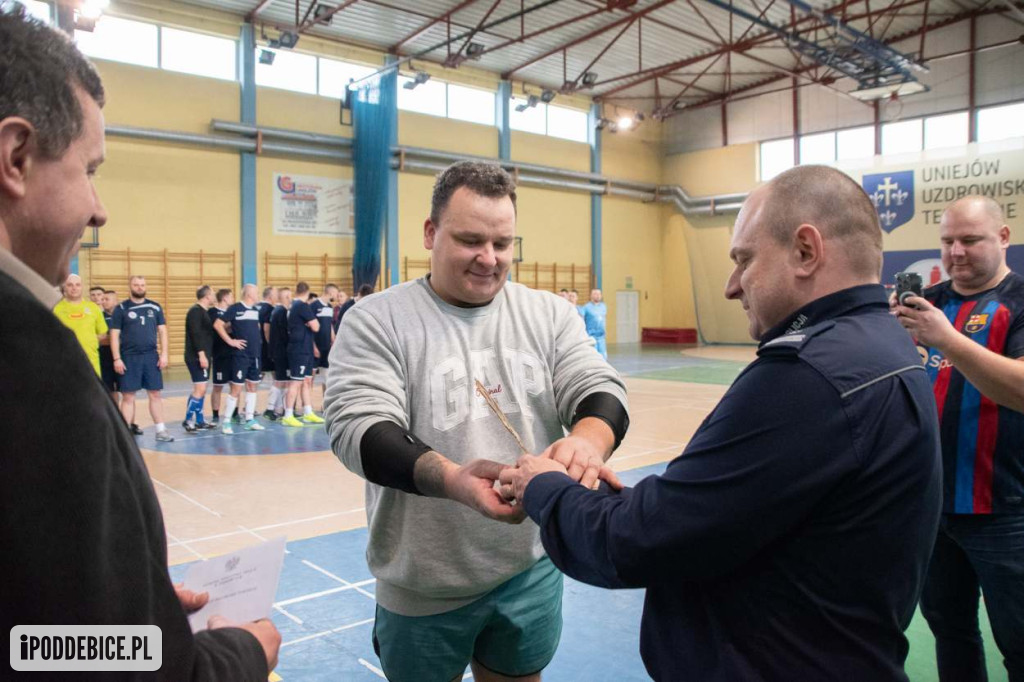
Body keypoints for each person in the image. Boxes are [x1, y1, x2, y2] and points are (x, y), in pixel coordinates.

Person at [500, 165, 943, 681]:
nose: (733, 286)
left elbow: (636, 543)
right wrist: (620, 499)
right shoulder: (886, 347)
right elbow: (745, 510)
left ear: (805, 251)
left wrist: (545, 487)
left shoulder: (807, 379)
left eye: (744, 259)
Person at [0, 8, 279, 679]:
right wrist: (238, 653)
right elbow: (82, 662)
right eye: (89, 169)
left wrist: (126, 598)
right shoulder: (25, 357)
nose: (99, 209)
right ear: (15, 157)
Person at [323, 161, 628, 682]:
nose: (489, 259)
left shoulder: (548, 315)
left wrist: (586, 442)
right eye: (470, 241)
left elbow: (599, 388)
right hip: (423, 583)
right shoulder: (378, 319)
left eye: (503, 243)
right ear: (430, 233)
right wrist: (454, 480)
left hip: (530, 567)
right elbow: (359, 429)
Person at [893, 195, 1024, 682]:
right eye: (947, 241)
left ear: (1003, 237)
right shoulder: (930, 304)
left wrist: (945, 339)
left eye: (970, 240)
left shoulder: (1019, 301)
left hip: (1005, 508)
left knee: (1019, 642)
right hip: (932, 506)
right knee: (951, 631)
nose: (956, 252)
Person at [110, 275, 174, 442]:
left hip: (151, 356)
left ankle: (161, 430)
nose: (139, 287)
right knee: (128, 396)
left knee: (155, 394)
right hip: (129, 357)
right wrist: (117, 358)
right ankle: (124, 435)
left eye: (142, 285)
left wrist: (164, 353)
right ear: (130, 286)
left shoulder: (155, 307)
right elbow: (114, 335)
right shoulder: (121, 308)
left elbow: (162, 331)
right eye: (136, 285)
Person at [215, 283, 265, 435]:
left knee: (252, 386)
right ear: (249, 294)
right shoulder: (236, 308)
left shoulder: (256, 311)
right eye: (256, 292)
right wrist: (231, 341)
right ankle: (226, 422)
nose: (258, 295)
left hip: (254, 354)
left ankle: (250, 420)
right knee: (236, 388)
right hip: (240, 355)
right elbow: (218, 324)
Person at [281, 281, 322, 427]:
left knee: (305, 381)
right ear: (308, 292)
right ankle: (288, 415)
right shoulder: (302, 306)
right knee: (296, 382)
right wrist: (310, 323)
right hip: (299, 349)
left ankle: (308, 412)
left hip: (304, 347)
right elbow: (316, 327)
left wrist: (308, 323)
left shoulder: (292, 306)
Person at [53, 272, 107, 376]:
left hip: (90, 361)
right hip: (65, 361)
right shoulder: (56, 308)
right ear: (64, 288)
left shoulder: (93, 308)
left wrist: (89, 340)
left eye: (77, 285)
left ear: (82, 287)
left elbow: (102, 333)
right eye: (70, 285)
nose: (74, 288)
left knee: (92, 392)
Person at [183, 284, 216, 433]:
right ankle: (188, 420)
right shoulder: (195, 312)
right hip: (196, 356)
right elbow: (195, 334)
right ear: (207, 296)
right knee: (200, 389)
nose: (214, 296)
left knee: (201, 389)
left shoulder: (204, 312)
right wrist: (201, 355)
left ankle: (200, 420)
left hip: (204, 355)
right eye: (213, 294)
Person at [266, 286, 293, 419]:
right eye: (289, 295)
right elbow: (285, 334)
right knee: (281, 381)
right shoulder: (281, 312)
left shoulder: (276, 311)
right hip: (282, 352)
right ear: (286, 297)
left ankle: (278, 408)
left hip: (277, 351)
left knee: (283, 381)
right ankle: (271, 408)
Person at [208, 287, 233, 426]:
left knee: (234, 385)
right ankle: (215, 415)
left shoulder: (231, 311)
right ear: (225, 298)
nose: (233, 299)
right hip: (219, 354)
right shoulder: (213, 312)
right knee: (218, 386)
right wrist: (231, 323)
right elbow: (219, 327)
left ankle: (234, 413)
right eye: (231, 296)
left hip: (233, 353)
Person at [311, 289, 335, 400]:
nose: (336, 295)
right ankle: (306, 406)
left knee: (327, 377)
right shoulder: (314, 305)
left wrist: (333, 339)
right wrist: (313, 346)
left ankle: (325, 403)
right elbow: (309, 327)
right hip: (316, 347)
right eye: (335, 293)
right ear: (330, 292)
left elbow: (329, 325)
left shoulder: (330, 307)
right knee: (310, 377)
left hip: (327, 347)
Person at [99, 288, 119, 400]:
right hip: (105, 356)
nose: (103, 301)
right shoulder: (99, 316)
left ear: (115, 301)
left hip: (121, 356)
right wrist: (113, 338)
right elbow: (99, 338)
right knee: (109, 389)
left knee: (127, 392)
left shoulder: (122, 316)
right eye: (103, 299)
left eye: (107, 299)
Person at [579, 288, 608, 359]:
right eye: (595, 294)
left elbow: (603, 319)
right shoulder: (586, 307)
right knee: (593, 358)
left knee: (603, 357)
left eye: (599, 294)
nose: (597, 296)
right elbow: (581, 320)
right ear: (591, 296)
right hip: (591, 337)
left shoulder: (603, 306)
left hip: (601, 337)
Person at [258, 285, 277, 389]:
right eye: (275, 294)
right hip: (266, 347)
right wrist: (271, 346)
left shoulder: (256, 307)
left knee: (255, 378)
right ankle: (275, 404)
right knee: (277, 377)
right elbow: (266, 329)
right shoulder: (270, 309)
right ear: (270, 296)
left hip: (256, 346)